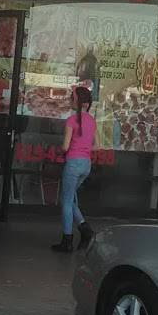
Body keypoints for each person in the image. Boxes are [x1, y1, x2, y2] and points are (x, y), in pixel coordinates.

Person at [52, 85, 96, 253]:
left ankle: (67, 240)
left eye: (72, 98)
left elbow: (64, 147)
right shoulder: (92, 120)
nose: (70, 100)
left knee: (66, 201)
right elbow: (97, 145)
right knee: (70, 199)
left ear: (77, 101)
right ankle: (85, 230)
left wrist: (59, 151)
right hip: (86, 164)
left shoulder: (71, 121)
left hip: (73, 164)